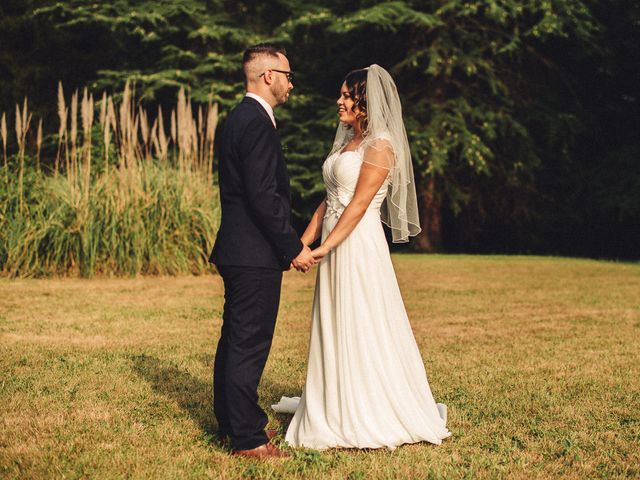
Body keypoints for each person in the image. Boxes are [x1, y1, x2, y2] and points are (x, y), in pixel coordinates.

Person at [272, 65, 451, 450]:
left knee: (360, 316)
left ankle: (367, 402)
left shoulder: (381, 146)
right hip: (336, 243)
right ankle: (333, 397)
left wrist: (324, 247)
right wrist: (298, 243)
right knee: (334, 316)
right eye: (341, 95)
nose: (339, 101)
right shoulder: (348, 144)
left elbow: (357, 206)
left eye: (347, 96)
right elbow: (329, 200)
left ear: (365, 102)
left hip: (357, 245)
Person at [209, 43, 315, 460]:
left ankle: (231, 424)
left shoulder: (241, 117)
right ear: (268, 75)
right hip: (252, 253)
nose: (291, 84)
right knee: (248, 345)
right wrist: (293, 247)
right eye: (288, 76)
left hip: (240, 250)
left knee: (235, 340)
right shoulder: (254, 120)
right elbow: (262, 195)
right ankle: (249, 440)